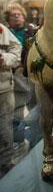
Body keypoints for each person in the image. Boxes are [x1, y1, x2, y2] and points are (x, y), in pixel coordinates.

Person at [0, 22, 21, 177]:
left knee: (5, 126)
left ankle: (6, 164)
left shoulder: (2, 30)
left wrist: (3, 58)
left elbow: (16, 50)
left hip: (3, 88)